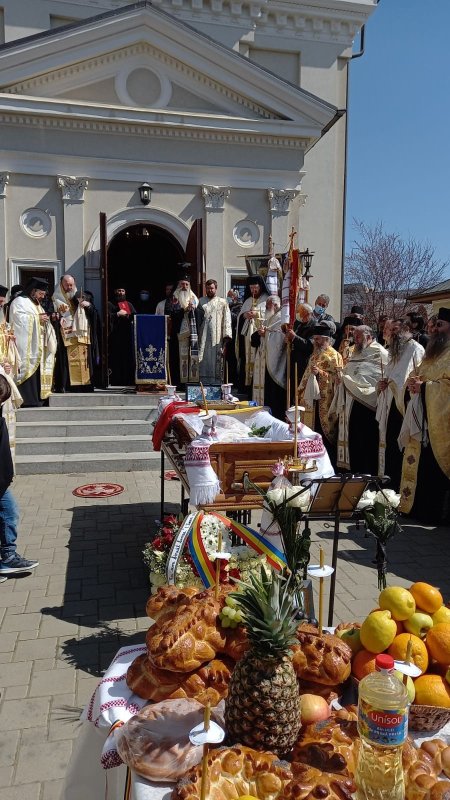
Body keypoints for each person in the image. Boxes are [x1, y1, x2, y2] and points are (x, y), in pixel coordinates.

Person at [399, 307, 450, 525]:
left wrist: (427, 388)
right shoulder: (432, 354)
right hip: (423, 420)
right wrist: (412, 384)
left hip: (441, 425)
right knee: (422, 468)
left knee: (435, 472)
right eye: (434, 325)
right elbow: (416, 374)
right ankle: (416, 508)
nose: (435, 329)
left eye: (440, 325)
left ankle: (435, 513)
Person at [332, 325, 388, 475]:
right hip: (350, 405)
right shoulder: (356, 352)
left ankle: (368, 476)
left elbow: (378, 378)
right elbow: (350, 373)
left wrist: (347, 381)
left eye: (358, 337)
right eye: (354, 336)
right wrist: (340, 380)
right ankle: (355, 473)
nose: (354, 340)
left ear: (369, 337)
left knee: (367, 443)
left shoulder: (380, 353)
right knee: (354, 441)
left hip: (368, 407)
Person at [376, 318, 424, 489]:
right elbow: (389, 376)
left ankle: (399, 487)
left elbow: (419, 376)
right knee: (389, 444)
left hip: (404, 406)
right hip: (390, 405)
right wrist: (381, 384)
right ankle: (389, 484)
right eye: (391, 330)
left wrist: (400, 389)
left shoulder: (415, 349)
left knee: (400, 447)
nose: (393, 333)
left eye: (396, 329)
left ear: (406, 330)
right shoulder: (394, 351)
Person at [0, 375, 39, 579]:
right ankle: (7, 557)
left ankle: (7, 556)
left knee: (10, 512)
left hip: (2, 480)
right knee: (9, 512)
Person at [297, 319, 341, 465]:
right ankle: (310, 462)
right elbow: (305, 376)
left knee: (323, 436)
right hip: (311, 402)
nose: (315, 342)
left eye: (317, 339)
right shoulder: (314, 355)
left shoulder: (334, 356)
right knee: (310, 432)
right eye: (314, 339)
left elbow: (338, 380)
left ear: (326, 339)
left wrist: (321, 373)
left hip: (325, 402)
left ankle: (326, 465)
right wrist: (299, 393)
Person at [9, 277, 57, 407]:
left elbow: (40, 318)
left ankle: (38, 399)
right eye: (40, 294)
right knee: (28, 369)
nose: (42, 297)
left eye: (43, 294)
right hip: (27, 345)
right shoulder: (20, 301)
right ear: (33, 291)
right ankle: (27, 400)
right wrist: (37, 319)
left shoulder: (36, 303)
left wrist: (44, 319)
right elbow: (18, 319)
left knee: (38, 372)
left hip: (39, 344)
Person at [52, 274, 97, 392]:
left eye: (71, 285)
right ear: (61, 284)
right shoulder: (55, 299)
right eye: (67, 285)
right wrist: (56, 318)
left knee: (84, 360)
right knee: (67, 361)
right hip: (66, 336)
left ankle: (85, 386)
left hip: (82, 335)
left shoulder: (81, 296)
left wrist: (89, 306)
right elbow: (50, 316)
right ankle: (68, 386)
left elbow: (94, 314)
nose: (69, 287)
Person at [251, 295, 286, 419]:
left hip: (276, 365)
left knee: (274, 395)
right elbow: (257, 337)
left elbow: (279, 340)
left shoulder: (281, 318)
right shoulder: (270, 318)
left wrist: (265, 334)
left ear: (275, 305)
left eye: (267, 306)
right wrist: (261, 333)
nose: (265, 309)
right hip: (266, 362)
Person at [236, 275, 269, 395]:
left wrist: (257, 314)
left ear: (260, 287)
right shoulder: (248, 300)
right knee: (246, 360)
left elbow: (270, 315)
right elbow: (240, 317)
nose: (253, 290)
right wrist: (244, 315)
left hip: (260, 337)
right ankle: (247, 387)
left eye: (255, 288)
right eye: (251, 288)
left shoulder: (267, 299)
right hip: (247, 339)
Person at [170, 276, 203, 387]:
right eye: (182, 284)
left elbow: (201, 314)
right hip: (179, 333)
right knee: (179, 358)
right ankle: (179, 383)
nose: (184, 286)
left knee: (192, 356)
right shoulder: (175, 297)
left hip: (192, 334)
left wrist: (194, 309)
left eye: (186, 284)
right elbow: (172, 312)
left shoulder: (194, 297)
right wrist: (184, 310)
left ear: (189, 285)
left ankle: (192, 381)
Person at [198, 279, 232, 384]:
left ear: (216, 289)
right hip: (203, 337)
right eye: (207, 288)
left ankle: (216, 385)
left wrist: (226, 339)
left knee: (216, 362)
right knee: (203, 359)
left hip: (217, 339)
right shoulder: (200, 301)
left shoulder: (222, 302)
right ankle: (202, 383)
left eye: (212, 288)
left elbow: (227, 319)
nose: (210, 290)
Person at [108, 287, 137, 386]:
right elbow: (106, 317)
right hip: (115, 336)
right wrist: (117, 314)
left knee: (127, 359)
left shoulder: (129, 304)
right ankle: (116, 380)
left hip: (127, 336)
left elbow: (135, 317)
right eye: (119, 290)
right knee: (116, 359)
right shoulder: (109, 304)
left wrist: (128, 316)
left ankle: (128, 380)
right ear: (115, 292)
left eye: (122, 290)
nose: (120, 292)